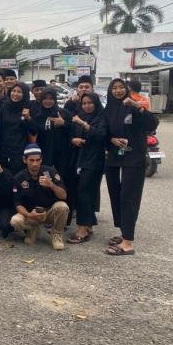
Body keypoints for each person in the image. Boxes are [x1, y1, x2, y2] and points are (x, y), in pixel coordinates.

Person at [103, 78, 159, 256]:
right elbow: (103, 130)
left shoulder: (134, 106)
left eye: (121, 88)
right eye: (114, 88)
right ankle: (123, 232)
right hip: (113, 156)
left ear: (127, 90)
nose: (118, 91)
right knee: (116, 194)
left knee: (129, 197)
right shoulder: (109, 108)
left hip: (134, 157)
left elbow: (152, 124)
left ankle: (128, 243)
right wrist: (111, 140)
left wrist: (137, 106)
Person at [10, 144, 70, 250]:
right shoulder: (19, 178)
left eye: (38, 160)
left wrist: (51, 185)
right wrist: (29, 214)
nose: (35, 164)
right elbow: (18, 204)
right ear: (24, 160)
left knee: (63, 206)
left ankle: (57, 236)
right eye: (31, 160)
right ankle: (33, 229)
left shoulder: (50, 172)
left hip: (49, 212)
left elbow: (64, 195)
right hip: (31, 213)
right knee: (15, 221)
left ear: (41, 159)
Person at [67, 92, 106, 244]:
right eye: (84, 103)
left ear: (96, 104)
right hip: (80, 159)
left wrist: (83, 123)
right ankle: (89, 225)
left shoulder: (101, 117)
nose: (87, 106)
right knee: (82, 192)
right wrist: (73, 140)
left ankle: (83, 227)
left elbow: (100, 135)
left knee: (84, 192)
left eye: (90, 103)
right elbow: (71, 134)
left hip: (94, 160)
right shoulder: (79, 116)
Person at [0, 82, 37, 174]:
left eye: (19, 92)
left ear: (25, 94)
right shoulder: (5, 106)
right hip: (4, 150)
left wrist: (28, 118)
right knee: (3, 177)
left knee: (17, 179)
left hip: (20, 151)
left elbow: (34, 131)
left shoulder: (29, 107)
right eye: (14, 91)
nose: (16, 94)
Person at [33, 88, 72, 176]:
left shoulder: (63, 113)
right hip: (45, 155)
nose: (48, 101)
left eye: (51, 98)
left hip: (62, 156)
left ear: (55, 100)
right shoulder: (38, 116)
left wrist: (64, 123)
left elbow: (73, 130)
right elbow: (34, 132)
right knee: (46, 179)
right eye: (45, 98)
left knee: (61, 180)